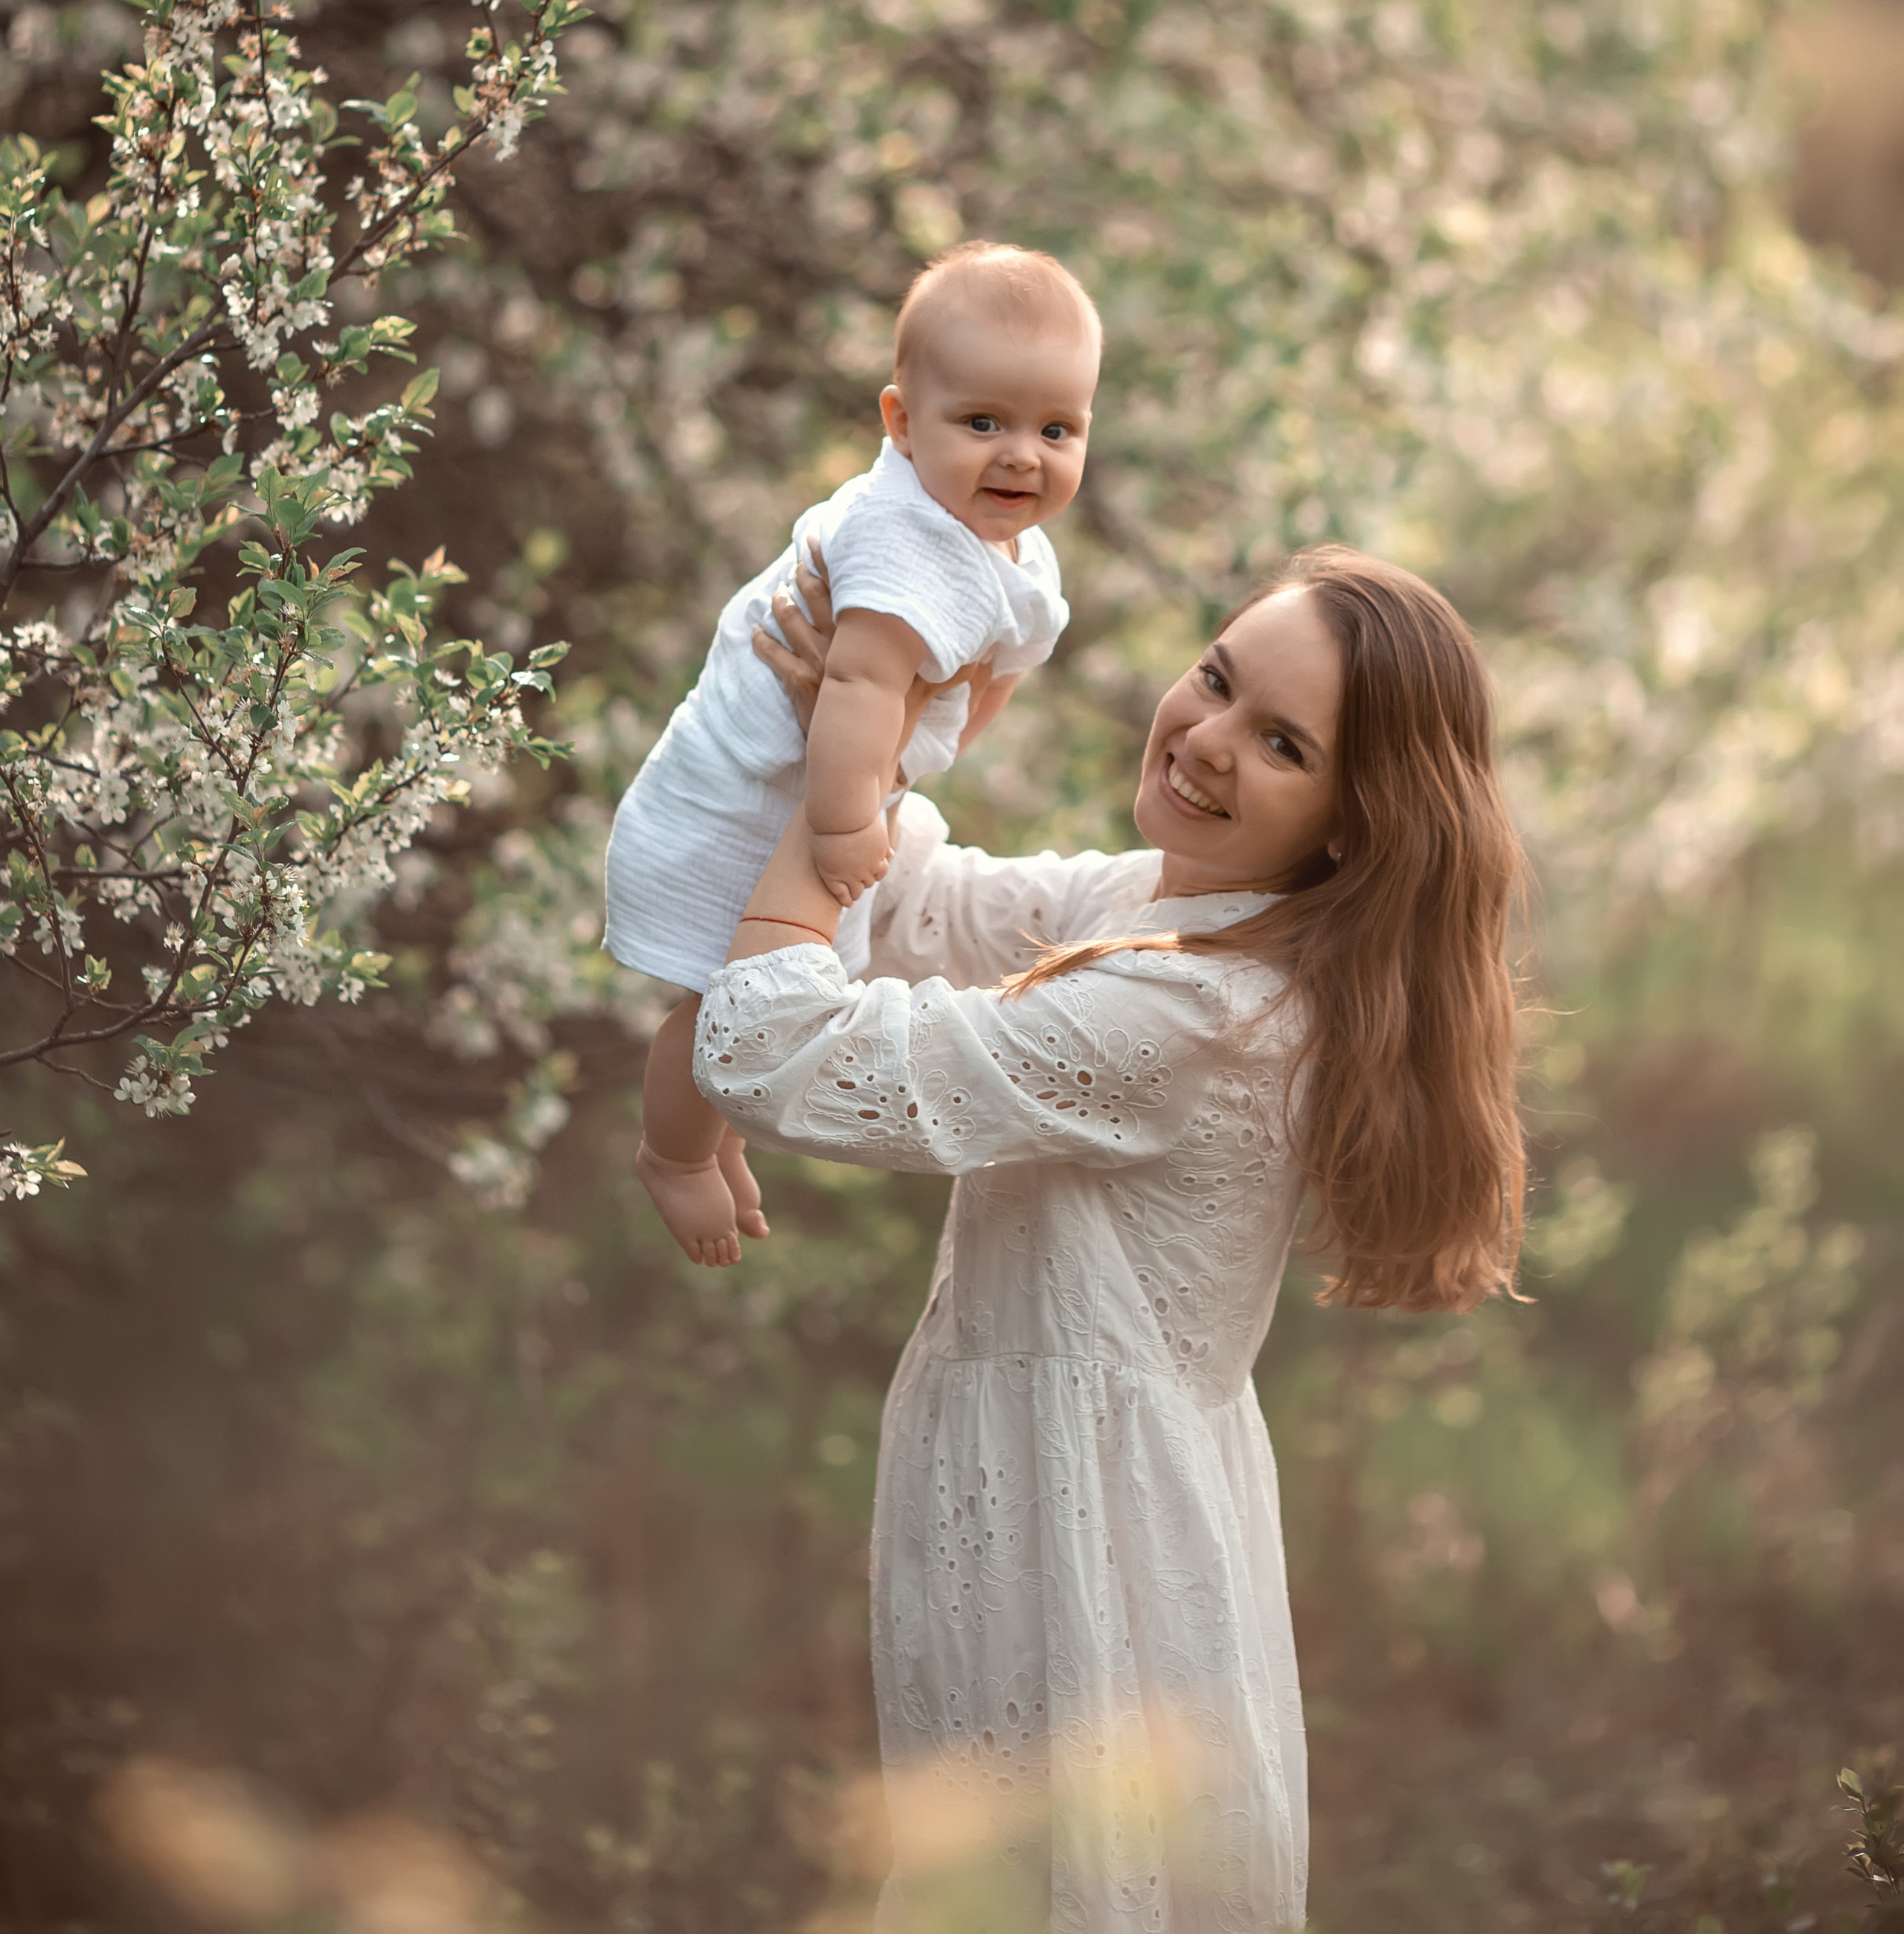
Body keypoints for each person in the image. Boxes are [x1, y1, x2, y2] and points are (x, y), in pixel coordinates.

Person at [690, 544, 1526, 1933]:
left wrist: (817, 824)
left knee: (1051, 1889)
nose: (1204, 740)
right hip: (1052, 1491)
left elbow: (776, 1051)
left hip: (1089, 1545)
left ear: (1351, 819)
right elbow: (925, 907)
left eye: (1281, 743)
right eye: (1215, 678)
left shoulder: (1202, 1014)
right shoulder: (1169, 907)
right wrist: (858, 742)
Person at [605, 240, 1102, 1263]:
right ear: (901, 423)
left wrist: (912, 766)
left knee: (750, 991)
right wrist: (843, 824)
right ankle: (675, 1156)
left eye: (1058, 429)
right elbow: (860, 682)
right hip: (743, 800)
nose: (1023, 455)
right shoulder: (904, 543)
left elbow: (979, 679)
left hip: (823, 781)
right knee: (713, 1003)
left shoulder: (1010, 545)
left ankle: (714, 1132)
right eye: (984, 423)